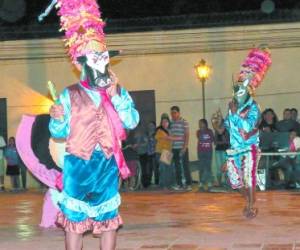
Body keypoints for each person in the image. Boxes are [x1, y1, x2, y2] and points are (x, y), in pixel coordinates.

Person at [43, 1, 140, 249]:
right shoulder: (69, 94)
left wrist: (116, 95)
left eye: (102, 55)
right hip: (78, 164)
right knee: (74, 222)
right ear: (80, 63)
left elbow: (131, 121)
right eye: (93, 56)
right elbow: (59, 133)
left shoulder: (117, 90)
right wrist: (56, 118)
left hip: (107, 164)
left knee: (108, 220)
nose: (99, 61)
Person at [222, 46, 272, 219]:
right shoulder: (233, 106)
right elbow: (228, 127)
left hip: (249, 146)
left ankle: (250, 206)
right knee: (234, 182)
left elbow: (249, 126)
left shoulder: (254, 107)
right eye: (236, 90)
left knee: (249, 177)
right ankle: (250, 201)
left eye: (240, 90)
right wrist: (218, 124)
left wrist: (234, 114)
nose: (237, 93)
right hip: (234, 148)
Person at [170, 106, 192, 191]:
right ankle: (179, 184)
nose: (173, 114)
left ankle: (188, 184)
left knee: (185, 166)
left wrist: (185, 147)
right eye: (172, 113)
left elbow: (187, 135)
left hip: (182, 147)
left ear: (179, 113)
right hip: (174, 148)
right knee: (177, 167)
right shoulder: (171, 123)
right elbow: (171, 135)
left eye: (175, 112)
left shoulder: (184, 122)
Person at [155, 115, 181, 190]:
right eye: (163, 122)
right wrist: (179, 138)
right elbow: (167, 138)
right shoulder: (159, 130)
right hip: (161, 152)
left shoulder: (170, 131)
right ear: (161, 123)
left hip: (167, 152)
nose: (164, 123)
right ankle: (164, 185)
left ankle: (169, 185)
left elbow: (170, 140)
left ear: (168, 123)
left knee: (169, 170)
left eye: (166, 121)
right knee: (163, 170)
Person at [211, 111, 230, 187]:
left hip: (226, 150)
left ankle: (227, 182)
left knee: (225, 167)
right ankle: (219, 183)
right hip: (218, 150)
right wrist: (221, 141)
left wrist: (221, 141)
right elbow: (215, 142)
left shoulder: (226, 129)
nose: (217, 121)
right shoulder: (217, 130)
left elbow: (227, 141)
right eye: (217, 120)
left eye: (219, 120)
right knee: (219, 167)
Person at [196, 119, 214, 191]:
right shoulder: (198, 132)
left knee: (208, 167)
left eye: (201, 123)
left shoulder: (210, 131)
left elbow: (212, 139)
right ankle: (201, 183)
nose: (200, 125)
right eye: (199, 123)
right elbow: (200, 138)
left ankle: (209, 182)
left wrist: (206, 139)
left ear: (205, 124)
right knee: (201, 167)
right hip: (201, 151)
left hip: (208, 151)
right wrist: (206, 138)